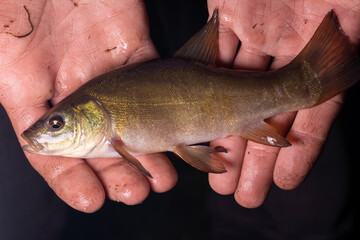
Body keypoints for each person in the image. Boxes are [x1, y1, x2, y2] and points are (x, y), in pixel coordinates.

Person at [0, 0, 359, 216]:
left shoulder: (114, 134)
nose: (47, 132)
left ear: (93, 111)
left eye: (56, 124)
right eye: (55, 124)